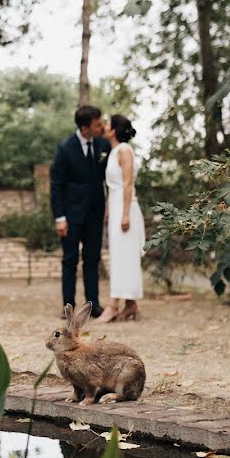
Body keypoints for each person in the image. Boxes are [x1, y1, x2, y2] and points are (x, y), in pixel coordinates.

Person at [50, 105, 109, 318]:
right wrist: (60, 217)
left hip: (95, 214)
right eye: (97, 124)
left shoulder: (103, 145)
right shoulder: (65, 148)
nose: (101, 127)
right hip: (71, 216)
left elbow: (108, 178)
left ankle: (93, 305)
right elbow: (56, 184)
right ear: (85, 127)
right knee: (70, 260)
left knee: (92, 259)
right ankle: (69, 307)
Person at [98, 114, 144, 322]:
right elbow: (113, 186)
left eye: (108, 124)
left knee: (124, 257)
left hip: (126, 209)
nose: (104, 126)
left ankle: (114, 304)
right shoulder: (114, 151)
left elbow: (127, 184)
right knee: (120, 256)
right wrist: (109, 207)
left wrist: (125, 214)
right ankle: (131, 305)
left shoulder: (124, 150)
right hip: (116, 206)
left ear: (115, 130)